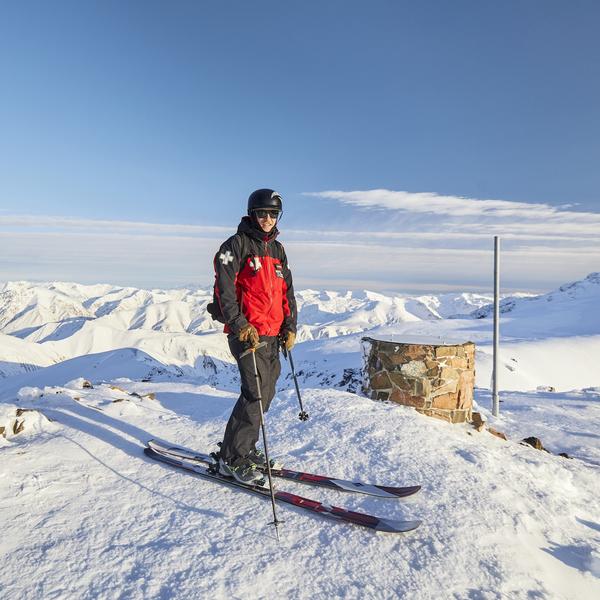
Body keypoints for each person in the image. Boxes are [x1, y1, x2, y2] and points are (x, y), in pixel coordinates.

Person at [211, 188, 297, 484]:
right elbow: (224, 290)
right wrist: (239, 325)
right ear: (252, 214)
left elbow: (287, 292)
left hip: (273, 334)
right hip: (247, 333)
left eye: (273, 214)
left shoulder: (278, 250)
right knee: (255, 394)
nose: (268, 219)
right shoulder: (234, 245)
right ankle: (231, 459)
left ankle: (243, 449)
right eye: (262, 213)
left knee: (266, 395)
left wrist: (291, 326)